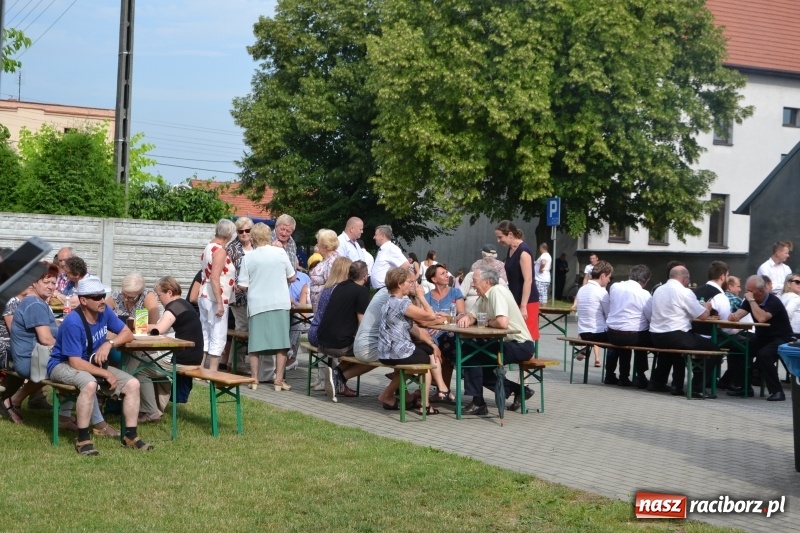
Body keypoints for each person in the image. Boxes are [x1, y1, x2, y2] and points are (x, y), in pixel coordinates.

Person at [46, 277, 151, 455]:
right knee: (89, 384)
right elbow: (75, 362)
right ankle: (83, 439)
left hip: (88, 363)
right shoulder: (73, 322)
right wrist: (105, 373)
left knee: (133, 384)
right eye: (97, 297)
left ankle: (130, 436)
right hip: (62, 365)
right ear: (83, 300)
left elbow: (127, 334)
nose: (102, 300)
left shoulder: (105, 312)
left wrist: (109, 344)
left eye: (103, 295)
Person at [456, 265, 536, 415]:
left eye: (475, 281)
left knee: (471, 356)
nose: (472, 285)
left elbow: (502, 323)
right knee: (472, 358)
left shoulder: (497, 291)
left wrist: (486, 322)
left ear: (486, 282)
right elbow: (473, 314)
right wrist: (467, 318)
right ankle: (518, 390)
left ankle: (478, 403)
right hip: (504, 343)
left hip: (520, 345)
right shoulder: (485, 296)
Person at [379, 267, 450, 415]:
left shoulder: (388, 302)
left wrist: (431, 344)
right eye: (408, 282)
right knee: (426, 362)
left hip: (385, 352)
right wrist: (421, 296)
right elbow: (430, 316)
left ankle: (435, 394)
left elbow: (414, 329)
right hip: (398, 352)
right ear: (399, 284)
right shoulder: (402, 304)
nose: (411, 285)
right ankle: (426, 402)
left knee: (428, 350)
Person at [237, 223, 296, 392]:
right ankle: (278, 380)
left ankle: (254, 379)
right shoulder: (280, 252)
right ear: (270, 236)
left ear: (253, 238)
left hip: (257, 304)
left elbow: (243, 285)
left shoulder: (248, 257)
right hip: (279, 302)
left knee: (255, 344)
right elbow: (292, 277)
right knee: (281, 343)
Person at [647, 266, 716, 397]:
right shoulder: (684, 292)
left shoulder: (658, 290)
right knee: (713, 349)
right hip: (676, 335)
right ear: (684, 278)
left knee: (674, 352)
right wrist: (707, 307)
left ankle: (663, 383)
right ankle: (697, 388)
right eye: (688, 279)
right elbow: (702, 316)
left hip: (656, 336)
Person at [143, 277, 205, 418]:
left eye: (159, 295)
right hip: (193, 357)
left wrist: (138, 326)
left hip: (184, 360)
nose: (159, 300)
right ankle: (155, 410)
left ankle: (148, 411)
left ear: (169, 292)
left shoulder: (174, 307)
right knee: (156, 369)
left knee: (139, 369)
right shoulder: (184, 304)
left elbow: (159, 330)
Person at [727, 275, 794, 401]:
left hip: (781, 337)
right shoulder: (750, 300)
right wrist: (734, 316)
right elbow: (739, 314)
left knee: (764, 355)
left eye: (750, 291)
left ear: (761, 291)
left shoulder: (773, 301)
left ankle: (777, 392)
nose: (747, 294)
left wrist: (751, 301)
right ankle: (743, 386)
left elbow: (762, 318)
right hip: (762, 337)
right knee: (738, 348)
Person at [318, 261, 374, 402]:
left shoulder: (339, 287)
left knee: (356, 347)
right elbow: (362, 322)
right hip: (339, 345)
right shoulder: (361, 291)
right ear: (365, 276)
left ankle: (336, 376)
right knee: (373, 354)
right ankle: (340, 377)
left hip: (322, 341)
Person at [606, 264, 653, 388]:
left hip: (612, 333)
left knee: (622, 344)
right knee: (644, 337)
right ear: (645, 280)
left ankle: (613, 374)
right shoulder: (644, 294)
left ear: (630, 275)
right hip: (632, 336)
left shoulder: (615, 287)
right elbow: (650, 317)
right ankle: (640, 375)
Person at [198, 218, 236, 372]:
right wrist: (220, 302)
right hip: (216, 297)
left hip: (204, 294)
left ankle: (200, 367)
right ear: (228, 234)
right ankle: (213, 371)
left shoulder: (209, 247)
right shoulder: (220, 250)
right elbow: (215, 277)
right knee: (218, 334)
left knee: (205, 331)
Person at [494, 220, 540, 341]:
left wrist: (523, 306)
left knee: (527, 336)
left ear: (510, 234)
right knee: (516, 335)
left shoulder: (523, 251)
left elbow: (528, 280)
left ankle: (527, 357)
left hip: (527, 300)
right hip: (515, 298)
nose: (498, 241)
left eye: (500, 237)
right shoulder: (510, 249)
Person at [225, 217, 255, 374]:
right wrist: (232, 285)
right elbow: (225, 270)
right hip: (238, 296)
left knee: (246, 327)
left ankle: (232, 362)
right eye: (240, 231)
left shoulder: (257, 246)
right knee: (242, 328)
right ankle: (239, 364)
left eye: (247, 230)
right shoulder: (231, 248)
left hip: (255, 295)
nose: (244, 234)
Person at [574, 260, 614, 372]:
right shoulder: (602, 292)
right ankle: (612, 374)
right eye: (609, 277)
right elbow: (609, 315)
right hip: (597, 333)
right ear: (603, 276)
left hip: (583, 333)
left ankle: (584, 352)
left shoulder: (582, 289)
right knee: (620, 342)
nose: (609, 280)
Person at [309, 229, 341, 310]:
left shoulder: (332, 261)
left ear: (325, 246)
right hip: (321, 307)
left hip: (326, 308)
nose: (316, 245)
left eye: (318, 242)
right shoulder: (327, 259)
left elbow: (332, 285)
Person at [371, 225, 410, 290]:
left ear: (382, 236)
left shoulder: (391, 248)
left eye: (376, 235)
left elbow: (406, 265)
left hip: (386, 288)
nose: (374, 237)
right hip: (382, 289)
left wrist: (394, 282)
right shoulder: (384, 249)